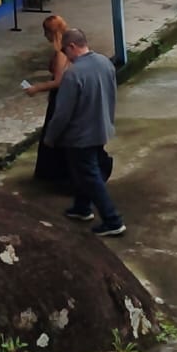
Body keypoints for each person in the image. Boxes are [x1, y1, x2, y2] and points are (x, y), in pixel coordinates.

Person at [44, 28, 125, 237]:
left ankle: (112, 219)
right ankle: (82, 207)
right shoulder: (105, 62)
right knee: (84, 171)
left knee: (89, 175)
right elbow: (112, 95)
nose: (65, 55)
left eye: (65, 50)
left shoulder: (74, 74)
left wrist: (51, 137)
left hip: (80, 136)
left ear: (72, 47)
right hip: (101, 128)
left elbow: (62, 113)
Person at [25, 15, 73, 182]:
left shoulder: (61, 53)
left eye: (46, 32)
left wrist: (36, 88)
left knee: (54, 133)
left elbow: (58, 81)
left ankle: (56, 175)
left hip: (61, 96)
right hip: (63, 95)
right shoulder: (67, 47)